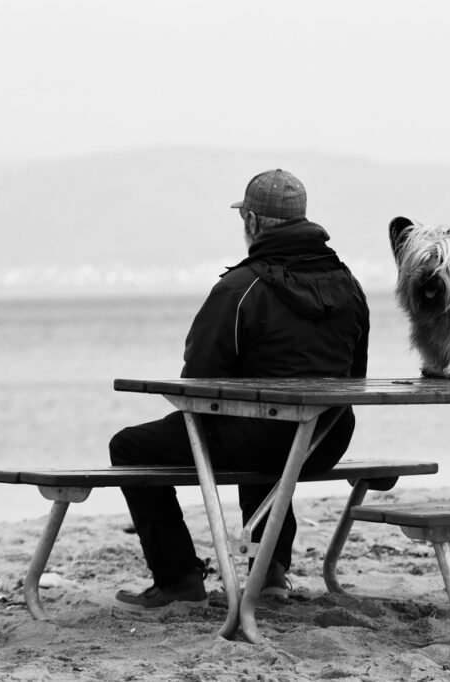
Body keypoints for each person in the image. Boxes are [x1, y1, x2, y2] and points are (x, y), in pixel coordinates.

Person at [110, 169, 370, 613]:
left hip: (266, 439)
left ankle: (177, 581)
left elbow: (199, 379)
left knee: (130, 446)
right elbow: (356, 375)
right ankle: (269, 572)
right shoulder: (349, 285)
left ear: (251, 221)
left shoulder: (240, 287)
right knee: (269, 428)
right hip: (327, 436)